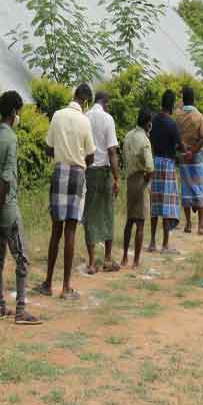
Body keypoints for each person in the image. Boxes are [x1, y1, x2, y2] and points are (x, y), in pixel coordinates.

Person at [36, 84, 95, 300]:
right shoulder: (85, 121)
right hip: (78, 173)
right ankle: (66, 287)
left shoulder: (57, 116)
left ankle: (48, 283)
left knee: (56, 230)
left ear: (74, 95)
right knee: (71, 231)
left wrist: (61, 152)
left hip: (59, 171)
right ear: (86, 101)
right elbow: (91, 156)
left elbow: (48, 148)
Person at [0, 91, 41, 325]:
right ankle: (20, 310)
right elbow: (7, 178)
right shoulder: (11, 138)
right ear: (13, 112)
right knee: (22, 259)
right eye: (19, 111)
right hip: (7, 207)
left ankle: (0, 305)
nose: (19, 115)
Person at [83, 91, 120, 274]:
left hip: (88, 171)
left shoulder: (84, 117)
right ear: (104, 102)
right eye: (109, 104)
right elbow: (112, 151)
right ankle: (107, 259)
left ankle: (91, 263)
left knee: (90, 214)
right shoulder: (108, 119)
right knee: (107, 213)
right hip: (104, 172)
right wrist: (117, 178)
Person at [148, 90, 182, 253]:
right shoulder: (172, 123)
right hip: (168, 164)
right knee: (167, 204)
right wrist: (186, 149)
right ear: (172, 105)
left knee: (155, 203)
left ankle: (152, 242)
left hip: (155, 162)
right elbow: (179, 145)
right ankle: (165, 244)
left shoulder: (153, 120)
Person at [121, 108, 154, 268]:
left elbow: (124, 157)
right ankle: (136, 261)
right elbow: (150, 167)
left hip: (129, 179)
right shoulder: (145, 140)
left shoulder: (128, 136)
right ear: (148, 123)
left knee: (129, 220)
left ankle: (124, 257)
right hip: (141, 179)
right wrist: (147, 181)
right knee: (140, 222)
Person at [176, 86, 203, 235]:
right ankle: (201, 225)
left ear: (183, 99)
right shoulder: (198, 116)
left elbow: (176, 137)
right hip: (196, 157)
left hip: (183, 157)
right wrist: (193, 152)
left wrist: (185, 151)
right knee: (199, 187)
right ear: (194, 99)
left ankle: (188, 224)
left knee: (186, 187)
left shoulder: (177, 115)